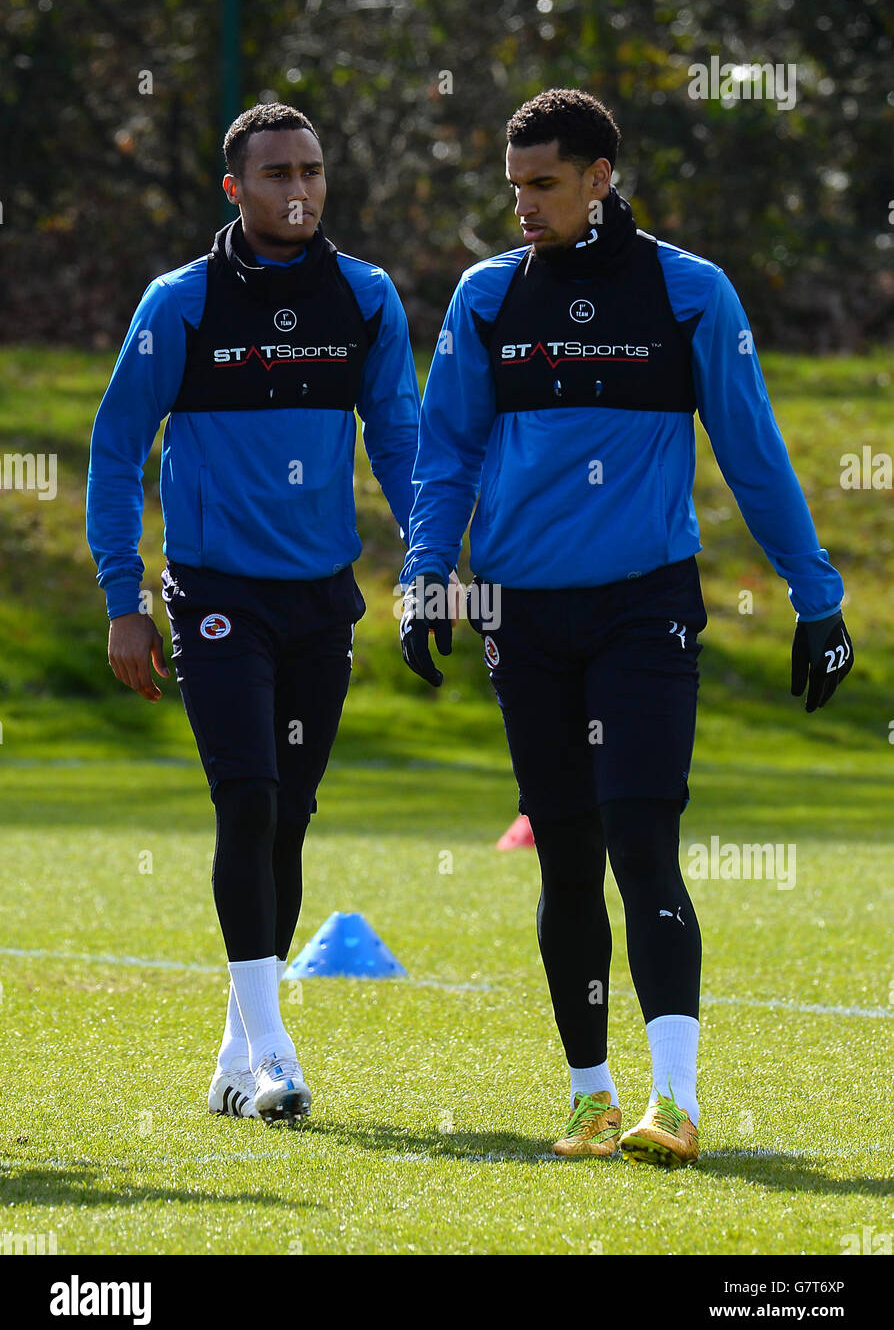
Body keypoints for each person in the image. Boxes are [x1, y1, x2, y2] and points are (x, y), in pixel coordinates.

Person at [399, 88, 852, 1167]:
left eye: (543, 184)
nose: (523, 207)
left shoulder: (690, 294)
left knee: (644, 843)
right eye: (513, 186)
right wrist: (426, 576)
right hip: (522, 613)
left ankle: (677, 1101)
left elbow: (753, 451)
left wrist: (817, 595)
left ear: (602, 174)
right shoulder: (486, 297)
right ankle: (589, 1096)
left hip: (647, 607)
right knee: (566, 856)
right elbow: (448, 450)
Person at [87, 102, 419, 1125]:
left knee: (289, 820)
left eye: (313, 170)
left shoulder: (364, 298)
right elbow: (114, 449)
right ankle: (274, 1052)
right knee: (247, 799)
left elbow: (401, 440)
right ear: (234, 189)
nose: (299, 189)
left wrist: (439, 563)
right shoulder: (180, 304)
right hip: (215, 593)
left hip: (322, 599)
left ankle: (237, 1054)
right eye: (276, 173)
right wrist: (124, 598)